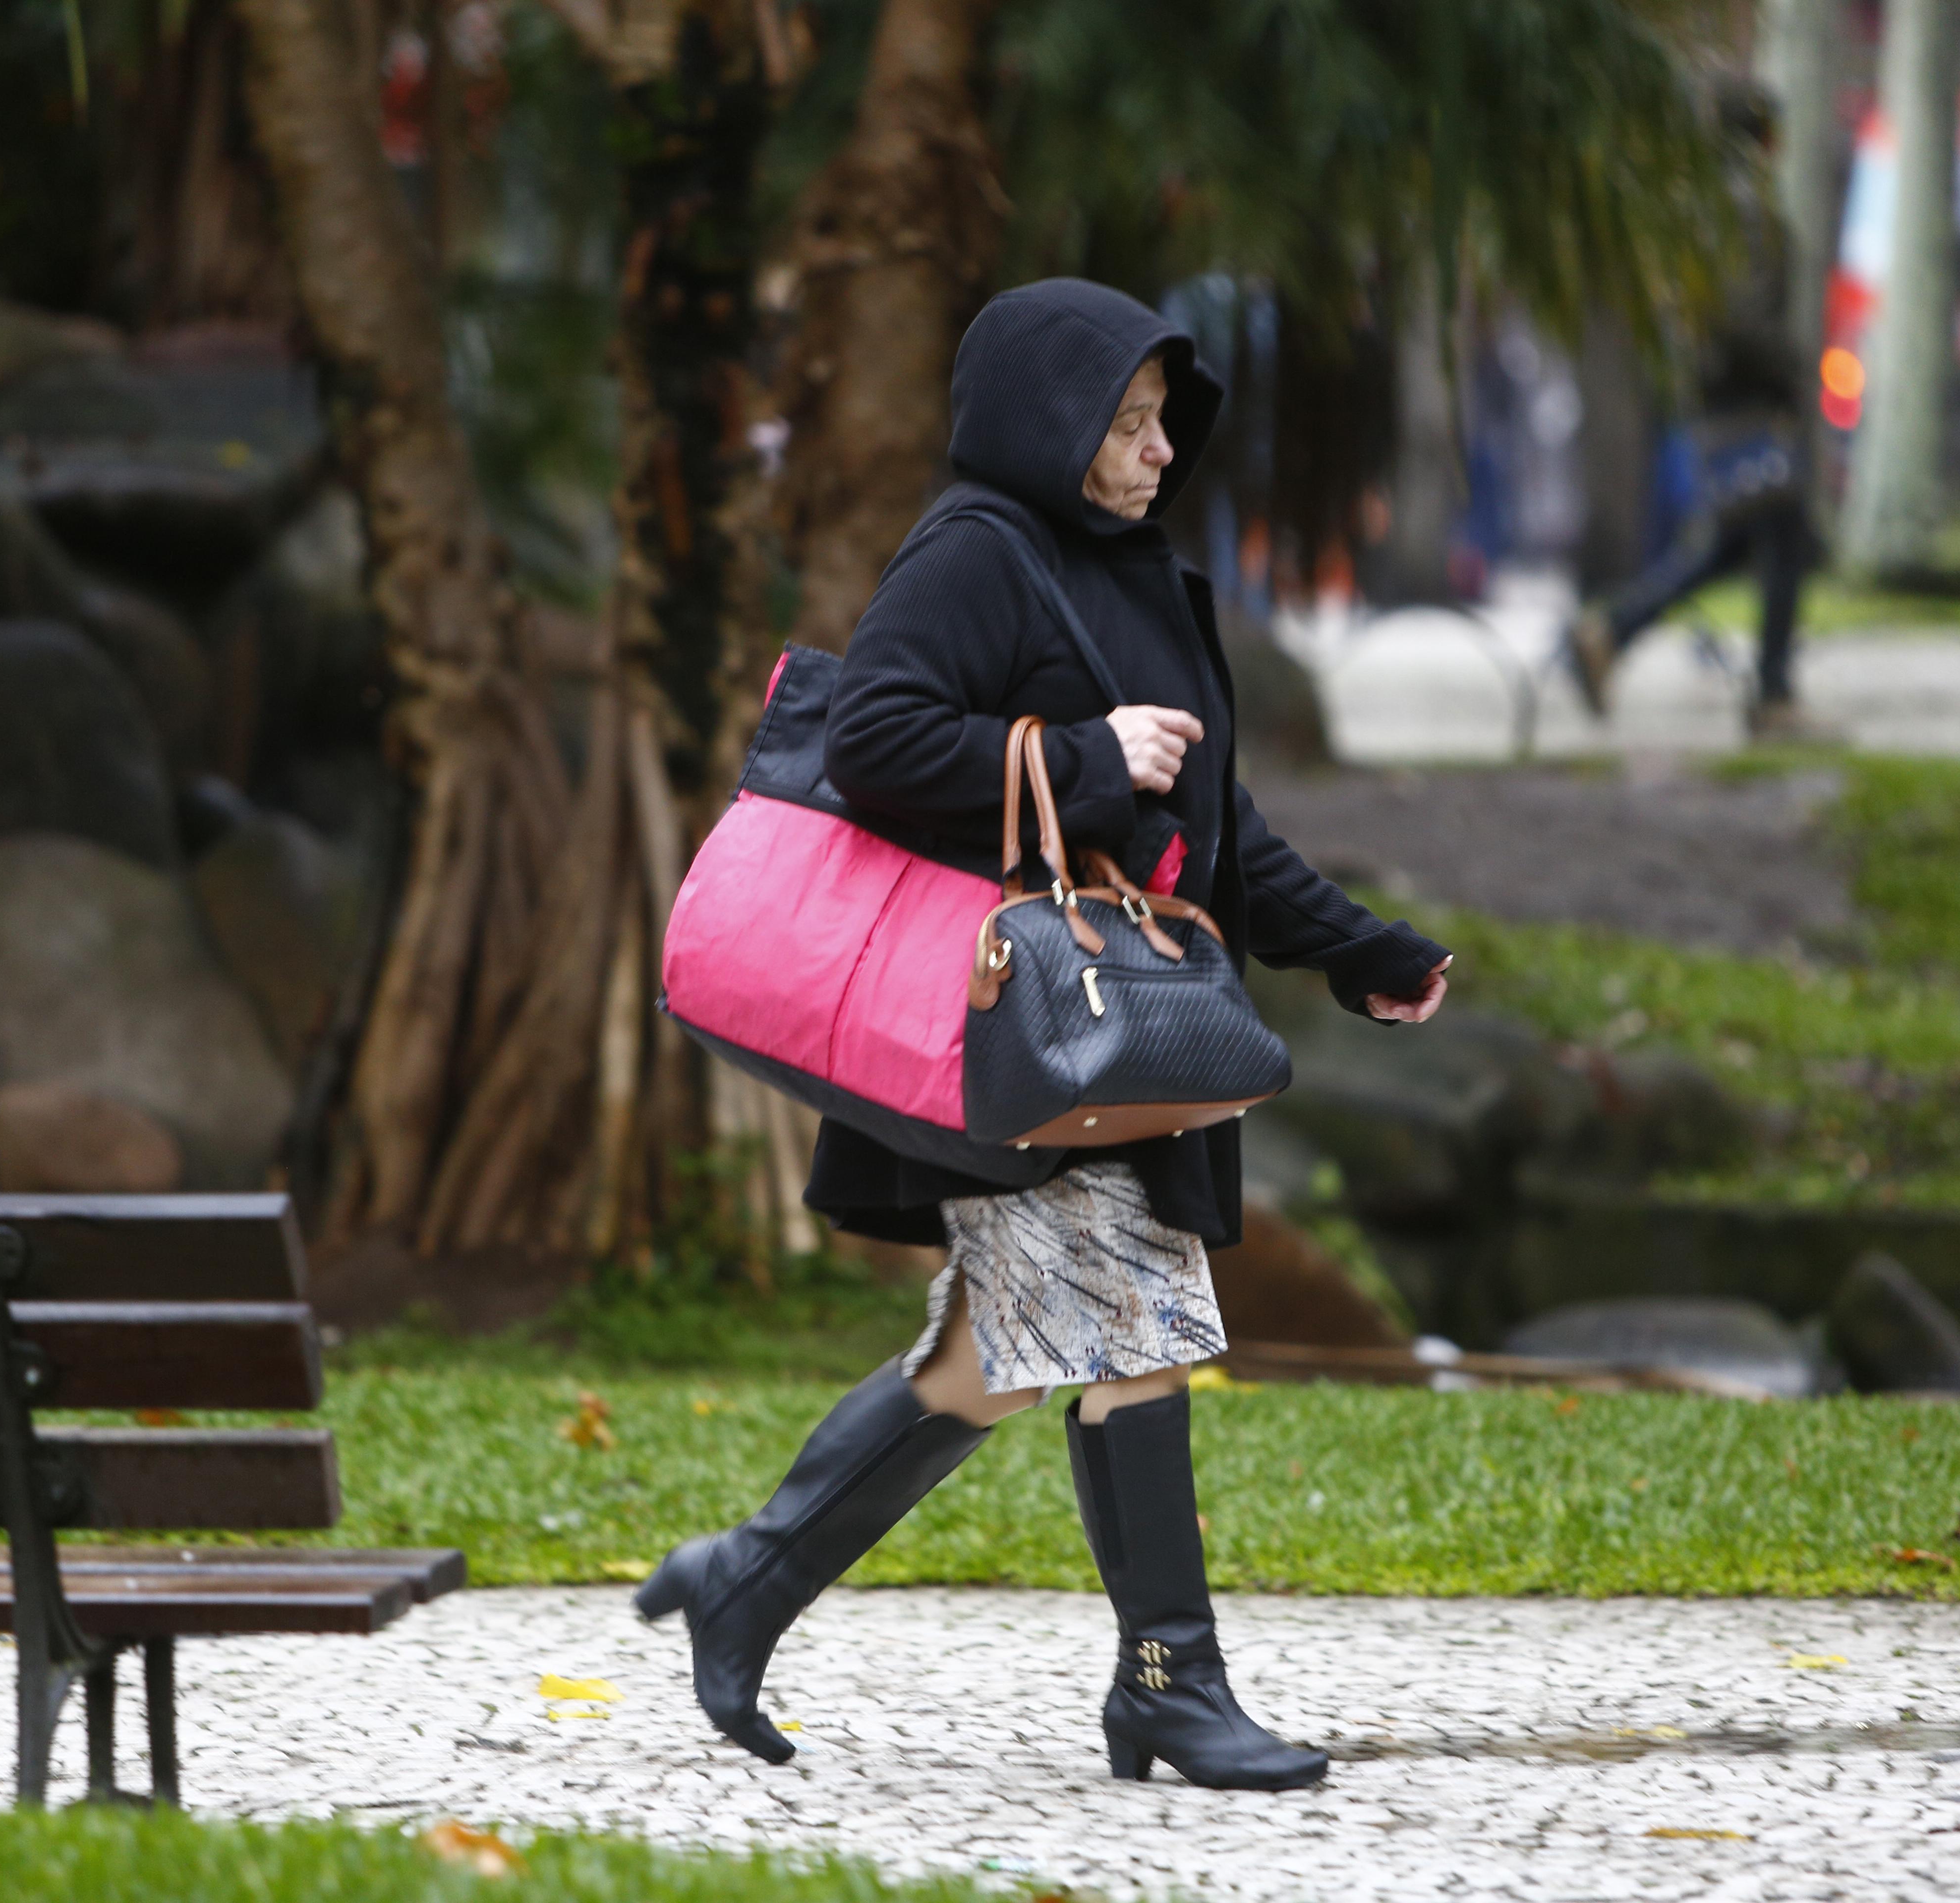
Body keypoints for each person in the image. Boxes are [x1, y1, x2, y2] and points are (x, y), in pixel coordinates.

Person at [636, 279, 1452, 1791]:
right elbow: (875, 738)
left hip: (1107, 1040)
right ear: (1045, 424)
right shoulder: (976, 554)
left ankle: (746, 1581)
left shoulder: (1125, 574)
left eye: (1159, 424)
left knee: (993, 1362)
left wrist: (1365, 953)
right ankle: (1167, 1683)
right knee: (1137, 1321)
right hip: (1019, 1032)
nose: (1156, 454)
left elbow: (1207, 826)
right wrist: (1081, 755)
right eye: (1125, 426)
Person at [1568, 85, 1817, 736]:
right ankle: (1775, 697)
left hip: (1717, 394)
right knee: (1784, 536)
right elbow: (1743, 317)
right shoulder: (1746, 207)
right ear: (1766, 137)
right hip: (1750, 398)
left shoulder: (1704, 203)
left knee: (1734, 542)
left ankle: (1612, 632)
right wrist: (1793, 370)